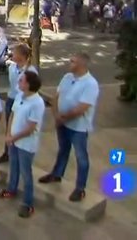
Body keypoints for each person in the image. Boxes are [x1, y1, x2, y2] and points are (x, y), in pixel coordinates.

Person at [38, 52, 99, 202]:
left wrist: (62, 118)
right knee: (63, 150)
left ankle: (80, 188)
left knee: (81, 157)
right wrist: (56, 115)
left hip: (78, 127)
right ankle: (57, 174)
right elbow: (56, 97)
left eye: (72, 61)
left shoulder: (90, 84)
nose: (69, 63)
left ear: (81, 65)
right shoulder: (67, 77)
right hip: (62, 123)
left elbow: (81, 108)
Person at [0, 70, 45, 218]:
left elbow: (31, 128)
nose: (18, 83)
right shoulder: (20, 96)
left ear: (29, 84)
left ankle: (28, 203)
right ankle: (11, 189)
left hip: (26, 144)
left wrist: (14, 137)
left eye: (21, 81)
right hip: (13, 140)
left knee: (26, 173)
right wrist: (8, 133)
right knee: (14, 167)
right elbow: (12, 114)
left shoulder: (37, 103)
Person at [0, 44, 38, 164]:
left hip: (23, 101)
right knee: (9, 126)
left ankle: (19, 152)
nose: (12, 55)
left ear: (21, 56)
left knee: (20, 126)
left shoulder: (30, 71)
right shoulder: (11, 68)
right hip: (11, 98)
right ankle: (7, 152)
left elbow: (33, 89)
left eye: (14, 53)